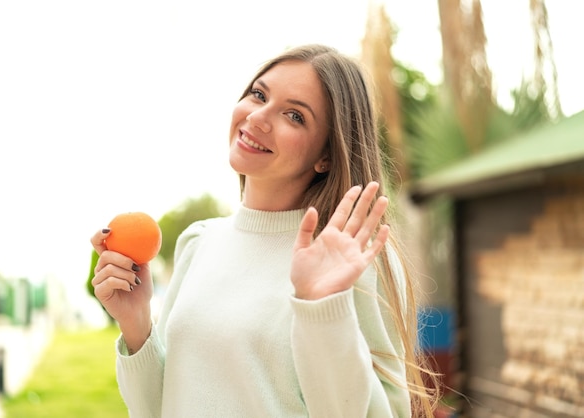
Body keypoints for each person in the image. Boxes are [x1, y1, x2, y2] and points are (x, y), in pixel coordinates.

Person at [90, 44, 438, 417]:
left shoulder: (352, 258)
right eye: (259, 94)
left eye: (294, 115)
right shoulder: (199, 242)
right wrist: (137, 324)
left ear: (326, 155)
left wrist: (321, 307)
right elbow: (157, 408)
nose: (257, 118)